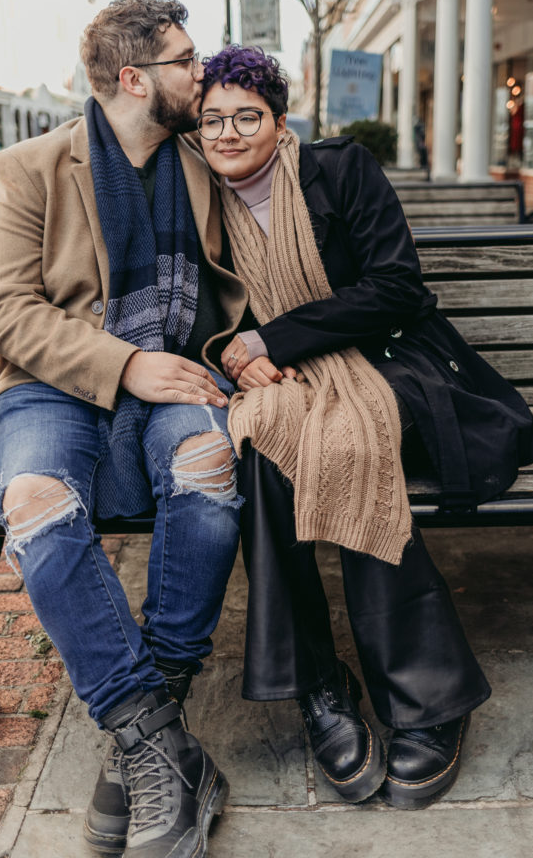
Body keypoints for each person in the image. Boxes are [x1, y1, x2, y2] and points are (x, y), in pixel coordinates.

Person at [197, 45, 533, 810]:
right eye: (211, 118)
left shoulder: (340, 169)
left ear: (280, 121)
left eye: (246, 115)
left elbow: (395, 286)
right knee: (258, 448)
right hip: (282, 384)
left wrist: (270, 340)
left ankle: (427, 698)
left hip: (391, 366)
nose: (226, 132)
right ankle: (320, 685)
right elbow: (194, 317)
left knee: (348, 442)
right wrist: (232, 354)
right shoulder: (196, 203)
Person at [0, 0, 251, 858]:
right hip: (56, 386)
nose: (201, 75)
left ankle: (141, 732)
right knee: (35, 502)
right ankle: (158, 739)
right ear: (134, 79)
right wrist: (121, 364)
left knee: (209, 462)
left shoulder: (206, 161)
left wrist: (250, 349)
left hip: (176, 378)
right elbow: (4, 309)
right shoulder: (29, 168)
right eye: (186, 60)